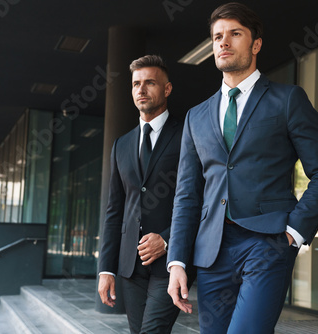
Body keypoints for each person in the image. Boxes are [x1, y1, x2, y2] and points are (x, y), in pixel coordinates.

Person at [167, 3, 318, 333]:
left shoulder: (287, 100)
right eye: (218, 36)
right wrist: (177, 261)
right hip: (211, 252)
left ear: (256, 44)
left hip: (268, 243)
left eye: (235, 34)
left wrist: (293, 232)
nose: (224, 42)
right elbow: (187, 194)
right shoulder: (196, 116)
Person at [98, 55, 191, 334]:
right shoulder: (121, 145)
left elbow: (200, 197)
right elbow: (115, 210)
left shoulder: (188, 133)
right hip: (130, 266)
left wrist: (167, 237)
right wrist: (106, 269)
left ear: (167, 88)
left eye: (150, 82)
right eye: (136, 83)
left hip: (171, 260)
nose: (141, 89)